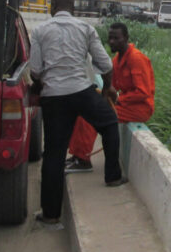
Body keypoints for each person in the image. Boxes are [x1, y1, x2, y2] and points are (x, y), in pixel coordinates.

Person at [29, 0, 124, 230]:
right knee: (110, 124)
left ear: (52, 8)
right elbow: (105, 65)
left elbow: (36, 71)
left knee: (53, 154)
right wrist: (104, 95)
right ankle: (113, 177)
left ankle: (51, 216)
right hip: (81, 91)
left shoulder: (40, 31)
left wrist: (41, 87)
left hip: (54, 97)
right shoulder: (85, 29)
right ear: (73, 9)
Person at [65, 21, 155, 173]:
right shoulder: (117, 60)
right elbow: (111, 87)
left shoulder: (136, 59)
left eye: (116, 38)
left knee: (90, 118)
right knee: (84, 111)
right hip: (124, 104)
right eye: (110, 38)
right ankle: (77, 156)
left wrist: (118, 99)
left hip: (139, 108)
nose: (111, 41)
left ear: (126, 38)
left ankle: (83, 160)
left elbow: (143, 92)